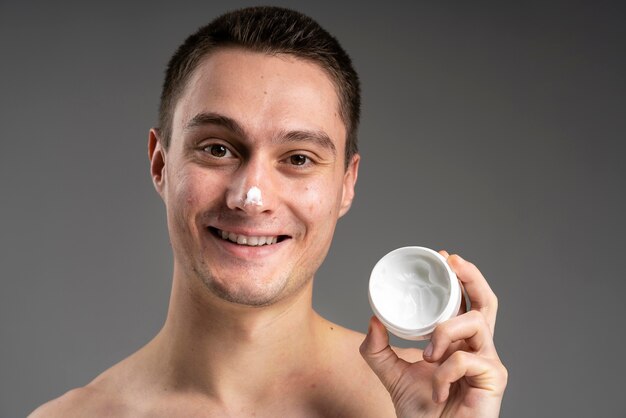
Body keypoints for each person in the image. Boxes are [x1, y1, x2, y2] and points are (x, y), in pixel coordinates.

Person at [30, 6, 507, 417]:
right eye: (217, 149)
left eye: (298, 158)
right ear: (160, 164)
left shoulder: (422, 399)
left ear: (346, 184)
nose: (250, 195)